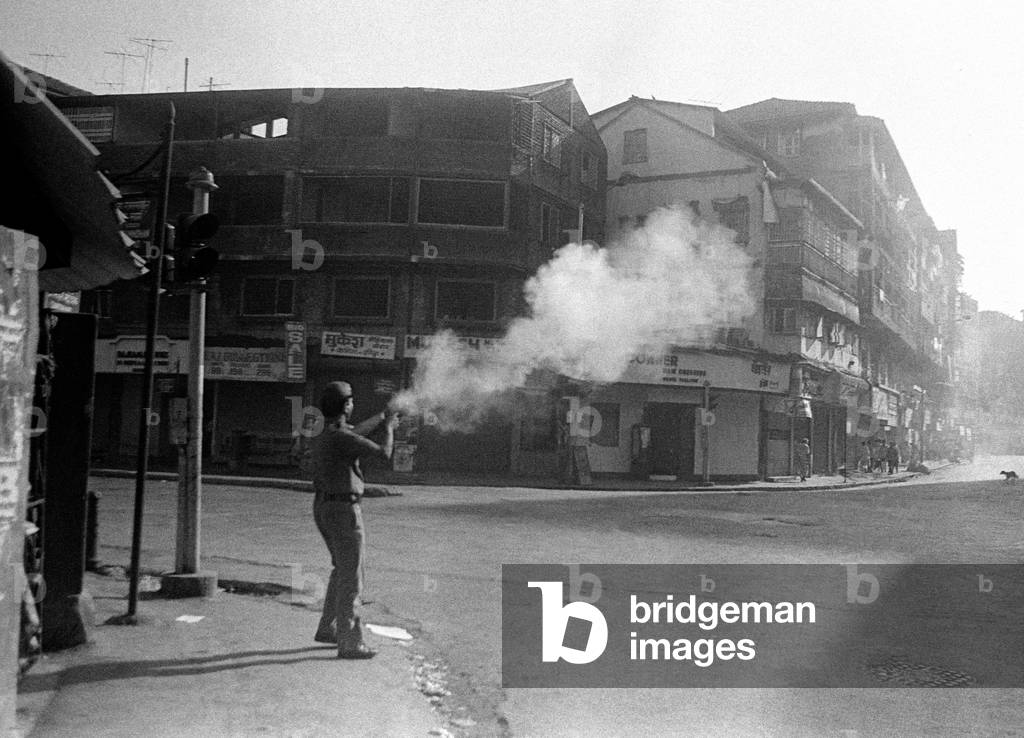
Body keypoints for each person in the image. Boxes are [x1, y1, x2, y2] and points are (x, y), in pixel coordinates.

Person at [311, 380, 399, 659]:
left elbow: (355, 431)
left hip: (324, 506)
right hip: (344, 510)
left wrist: (380, 417)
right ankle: (349, 642)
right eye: (351, 401)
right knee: (352, 576)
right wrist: (388, 427)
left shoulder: (327, 432)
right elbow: (384, 454)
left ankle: (329, 627)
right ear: (346, 406)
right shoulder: (343, 438)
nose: (353, 405)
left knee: (341, 569)